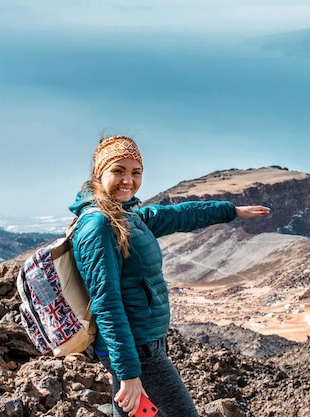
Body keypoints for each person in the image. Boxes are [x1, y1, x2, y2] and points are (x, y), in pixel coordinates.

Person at [69, 135, 270, 417]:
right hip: (138, 351)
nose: (128, 180)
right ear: (99, 173)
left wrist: (231, 211)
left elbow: (178, 215)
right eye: (118, 171)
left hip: (142, 344)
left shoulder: (127, 215)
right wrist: (128, 373)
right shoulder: (100, 224)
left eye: (135, 172)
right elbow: (107, 303)